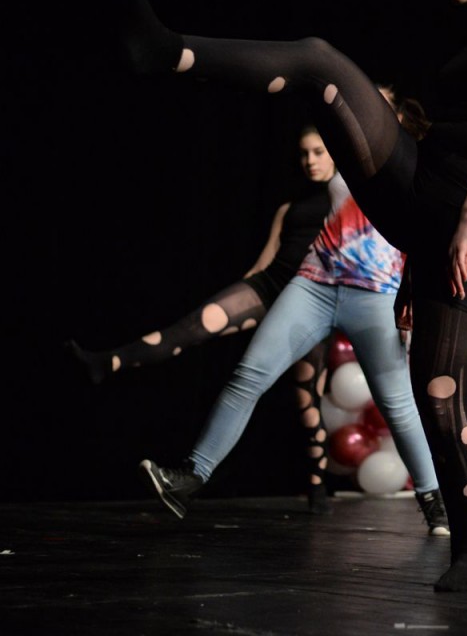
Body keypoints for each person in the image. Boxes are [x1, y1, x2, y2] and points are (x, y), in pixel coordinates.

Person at [115, 0, 467, 592]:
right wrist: (416, 252)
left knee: (439, 393)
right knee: (319, 62)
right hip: (422, 193)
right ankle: (165, 51)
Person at [138, 93, 450, 534]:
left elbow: (428, 236)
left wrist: (415, 296)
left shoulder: (415, 167)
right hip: (313, 284)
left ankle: (434, 502)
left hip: (375, 296)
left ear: (398, 117)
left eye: (378, 104)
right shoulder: (347, 153)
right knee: (248, 376)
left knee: (397, 405)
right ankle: (190, 477)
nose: (366, 111)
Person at [67, 123, 338, 512]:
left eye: (319, 152)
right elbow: (264, 262)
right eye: (304, 153)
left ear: (334, 153)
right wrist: (241, 294)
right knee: (191, 327)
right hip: (269, 286)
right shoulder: (289, 207)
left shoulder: (348, 202)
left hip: (310, 302)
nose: (310, 161)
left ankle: (317, 485)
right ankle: (108, 361)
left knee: (307, 401)